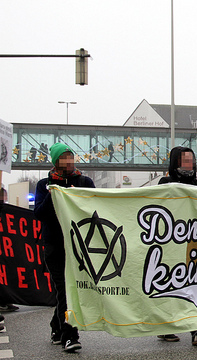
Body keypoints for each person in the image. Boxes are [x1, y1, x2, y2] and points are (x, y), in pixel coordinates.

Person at [34, 143, 95, 352]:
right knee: (65, 290)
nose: (69, 161)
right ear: (55, 161)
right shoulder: (44, 185)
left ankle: (56, 326)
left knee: (69, 291)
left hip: (78, 247)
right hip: (55, 247)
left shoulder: (84, 182)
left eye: (71, 156)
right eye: (64, 157)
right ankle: (70, 335)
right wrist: (54, 195)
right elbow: (39, 215)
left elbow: (97, 206)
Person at [157, 147, 197, 345]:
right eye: (185, 160)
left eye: (192, 160)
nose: (189, 163)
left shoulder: (195, 183)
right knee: (173, 286)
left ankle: (195, 330)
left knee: (191, 286)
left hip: (191, 243)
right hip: (171, 243)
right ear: (176, 162)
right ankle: (166, 326)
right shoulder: (165, 182)